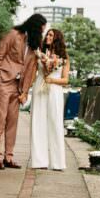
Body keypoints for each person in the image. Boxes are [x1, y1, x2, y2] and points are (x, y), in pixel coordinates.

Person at [0, 13, 46, 169]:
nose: (42, 33)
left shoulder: (34, 45)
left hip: (18, 86)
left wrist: (25, 91)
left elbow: (31, 69)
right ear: (34, 26)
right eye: (41, 30)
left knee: (12, 123)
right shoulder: (13, 34)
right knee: (0, 120)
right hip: (4, 81)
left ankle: (8, 157)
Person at [27, 28, 69, 170]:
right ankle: (39, 161)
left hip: (55, 90)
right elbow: (33, 74)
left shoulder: (64, 57)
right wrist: (25, 90)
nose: (47, 37)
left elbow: (65, 80)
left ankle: (58, 163)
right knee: (37, 122)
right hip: (39, 88)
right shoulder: (39, 53)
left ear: (57, 38)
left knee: (55, 123)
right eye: (47, 35)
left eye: (51, 35)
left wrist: (52, 80)